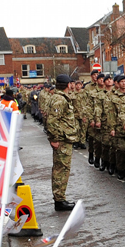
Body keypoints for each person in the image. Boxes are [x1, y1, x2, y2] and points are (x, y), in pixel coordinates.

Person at [45, 74, 79, 211]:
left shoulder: (60, 98)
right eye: (71, 83)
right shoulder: (60, 99)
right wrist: (54, 139)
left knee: (62, 169)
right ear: (68, 85)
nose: (73, 86)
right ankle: (59, 200)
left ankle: (60, 198)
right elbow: (52, 121)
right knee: (61, 169)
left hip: (64, 139)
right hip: (62, 140)